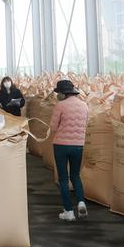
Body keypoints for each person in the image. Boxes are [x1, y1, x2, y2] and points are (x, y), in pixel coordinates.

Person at [46, 78, 88, 221]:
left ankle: (69, 211)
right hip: (78, 145)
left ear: (63, 93)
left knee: (63, 179)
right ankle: (81, 202)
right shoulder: (84, 105)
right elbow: (85, 124)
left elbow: (53, 127)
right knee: (75, 175)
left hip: (61, 145)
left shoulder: (60, 105)